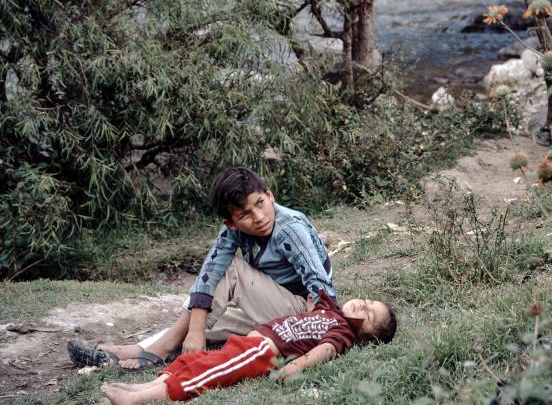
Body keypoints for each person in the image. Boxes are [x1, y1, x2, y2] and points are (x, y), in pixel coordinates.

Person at [68, 167, 336, 370]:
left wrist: (314, 336)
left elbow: (319, 283)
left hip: (304, 313)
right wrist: (196, 329)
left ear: (269, 195)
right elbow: (211, 267)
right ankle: (132, 351)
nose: (259, 217)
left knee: (230, 269)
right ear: (231, 222)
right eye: (244, 214)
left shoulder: (289, 229)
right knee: (200, 318)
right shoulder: (232, 231)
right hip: (275, 310)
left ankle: (163, 348)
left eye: (260, 203)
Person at [99, 292, 397, 404]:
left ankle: (140, 399)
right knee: (199, 360)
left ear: (366, 337)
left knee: (206, 373)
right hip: (250, 341)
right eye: (368, 302)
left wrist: (296, 366)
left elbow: (325, 350)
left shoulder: (343, 333)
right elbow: (313, 311)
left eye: (369, 315)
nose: (363, 306)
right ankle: (143, 387)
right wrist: (311, 305)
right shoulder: (332, 311)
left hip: (262, 352)